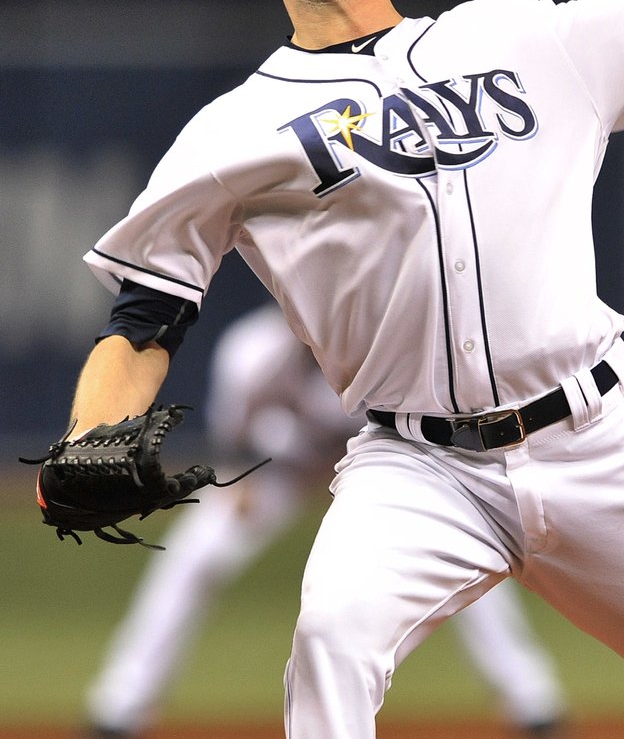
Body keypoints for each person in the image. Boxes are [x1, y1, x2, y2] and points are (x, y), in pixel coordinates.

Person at [58, 0, 624, 739]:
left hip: (598, 439)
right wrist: (91, 431)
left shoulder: (519, 34)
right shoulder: (232, 130)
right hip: (419, 465)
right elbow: (145, 318)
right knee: (331, 642)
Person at [85, 304, 568, 738]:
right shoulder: (252, 348)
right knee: (196, 554)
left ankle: (531, 699)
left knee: (460, 554)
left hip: (386, 467)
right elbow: (235, 442)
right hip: (281, 471)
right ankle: (121, 703)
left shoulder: (387, 345)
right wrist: (238, 484)